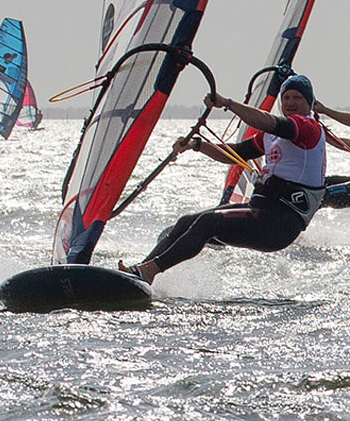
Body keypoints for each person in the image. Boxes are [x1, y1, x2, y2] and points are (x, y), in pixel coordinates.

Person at [119, 74, 325, 284]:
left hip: (281, 223)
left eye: (297, 98)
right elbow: (235, 153)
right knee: (186, 222)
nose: (291, 103)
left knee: (209, 222)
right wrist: (197, 145)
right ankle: (137, 274)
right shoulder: (271, 137)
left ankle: (148, 272)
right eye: (286, 98)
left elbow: (267, 121)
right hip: (262, 211)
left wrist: (226, 103)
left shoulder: (308, 127)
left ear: (308, 103)